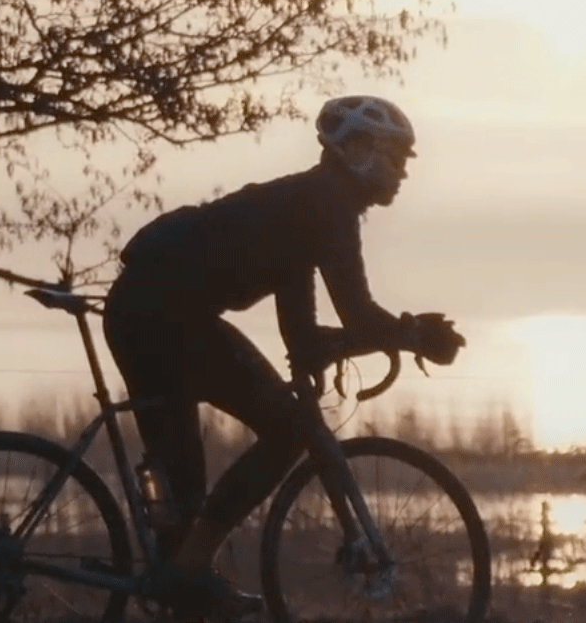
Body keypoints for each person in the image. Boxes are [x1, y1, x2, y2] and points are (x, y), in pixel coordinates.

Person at [101, 95, 466, 619]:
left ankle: (183, 575)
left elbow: (303, 335)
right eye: (398, 156)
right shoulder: (327, 208)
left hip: (152, 310)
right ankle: (188, 570)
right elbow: (358, 315)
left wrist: (362, 346)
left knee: (185, 499)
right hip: (162, 315)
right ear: (358, 151)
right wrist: (411, 335)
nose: (406, 171)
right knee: (289, 428)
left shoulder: (308, 204)